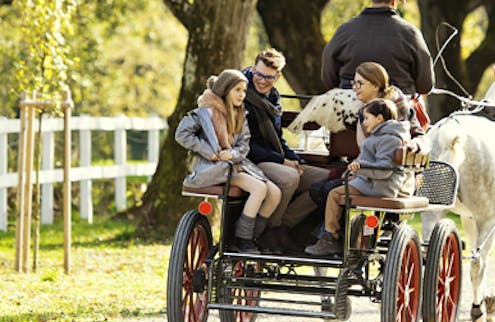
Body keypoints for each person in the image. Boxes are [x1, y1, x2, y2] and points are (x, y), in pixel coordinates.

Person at [175, 69, 281, 253]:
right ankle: (242, 238)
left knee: (275, 193)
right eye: (237, 90)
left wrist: (232, 154)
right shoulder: (205, 112)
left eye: (244, 91)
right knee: (259, 188)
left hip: (234, 164)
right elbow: (182, 134)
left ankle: (253, 235)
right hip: (213, 167)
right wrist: (211, 153)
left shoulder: (240, 115)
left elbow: (244, 145)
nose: (242, 95)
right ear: (225, 90)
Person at [242, 48, 330, 239]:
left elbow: (277, 138)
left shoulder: (273, 98)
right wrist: (283, 161)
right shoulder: (241, 94)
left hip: (271, 157)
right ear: (252, 69)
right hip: (250, 160)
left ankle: (285, 224)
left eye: (269, 77)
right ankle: (269, 232)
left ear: (278, 77)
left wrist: (295, 160)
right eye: (259, 75)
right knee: (290, 177)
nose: (262, 81)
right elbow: (248, 146)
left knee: (326, 180)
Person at [305, 98, 410, 256]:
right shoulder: (382, 136)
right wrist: (357, 171)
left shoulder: (389, 139)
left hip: (379, 186)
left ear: (379, 118)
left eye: (366, 118)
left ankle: (331, 236)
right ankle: (337, 233)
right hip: (372, 182)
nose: (363, 123)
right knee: (328, 189)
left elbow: (384, 171)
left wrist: (360, 168)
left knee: (334, 194)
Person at [321, 0, 434, 95]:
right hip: (397, 101)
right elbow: (425, 85)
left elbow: (328, 76)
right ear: (395, 0)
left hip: (348, 98)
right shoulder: (411, 33)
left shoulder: (344, 30)